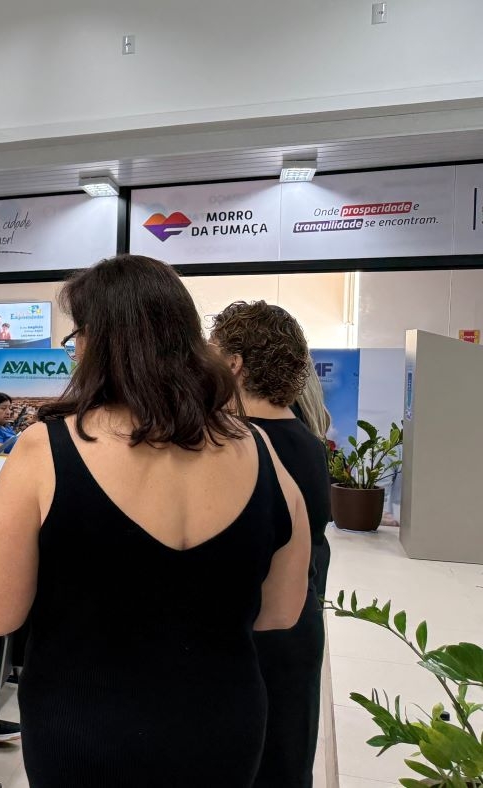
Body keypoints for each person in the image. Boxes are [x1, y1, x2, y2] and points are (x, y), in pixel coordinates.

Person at [0, 254, 310, 788]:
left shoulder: (47, 448)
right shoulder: (259, 448)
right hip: (223, 726)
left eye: (76, 335)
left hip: (85, 732)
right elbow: (281, 611)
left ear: (97, 341)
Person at [211, 300, 332, 788]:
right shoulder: (305, 441)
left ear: (235, 363)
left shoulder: (237, 446)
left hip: (253, 639)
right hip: (296, 633)